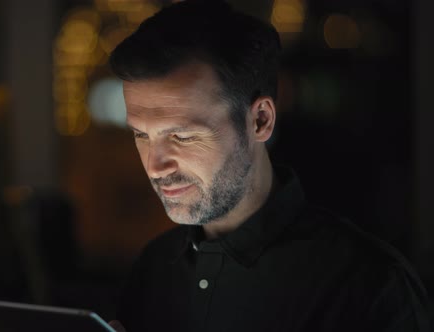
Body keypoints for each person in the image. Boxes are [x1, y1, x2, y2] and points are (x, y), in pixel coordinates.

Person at [105, 1, 432, 331]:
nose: (155, 165)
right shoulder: (152, 269)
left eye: (183, 136)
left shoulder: (366, 286)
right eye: (141, 135)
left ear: (260, 120)